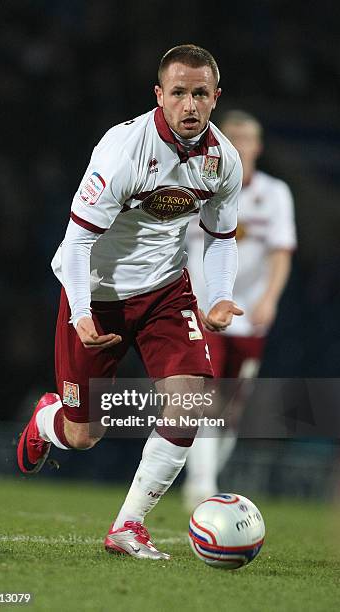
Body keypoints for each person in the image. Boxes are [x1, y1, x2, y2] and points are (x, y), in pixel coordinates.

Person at [17, 44, 243, 560]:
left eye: (200, 94)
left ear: (215, 98)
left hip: (166, 291)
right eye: (180, 93)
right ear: (159, 95)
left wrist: (221, 297)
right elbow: (76, 244)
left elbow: (221, 237)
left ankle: (127, 526)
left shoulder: (222, 160)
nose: (190, 104)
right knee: (83, 435)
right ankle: (47, 420)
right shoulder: (124, 151)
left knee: (190, 404)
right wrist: (80, 314)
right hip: (97, 294)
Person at [183, 110, 297, 509]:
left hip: (249, 314)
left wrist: (270, 299)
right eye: (232, 137)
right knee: (205, 398)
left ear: (258, 147)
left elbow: (281, 253)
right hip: (205, 308)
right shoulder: (197, 183)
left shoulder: (275, 193)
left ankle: (205, 477)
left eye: (246, 138)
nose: (239, 144)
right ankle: (202, 483)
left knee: (233, 408)